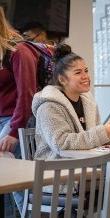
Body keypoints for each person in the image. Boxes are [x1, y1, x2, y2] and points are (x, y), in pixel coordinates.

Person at [32, 43, 110, 160]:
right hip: (55, 170)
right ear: (62, 79)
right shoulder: (48, 106)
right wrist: (103, 132)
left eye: (86, 71)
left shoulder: (89, 103)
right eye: (78, 72)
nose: (85, 76)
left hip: (86, 166)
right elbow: (61, 143)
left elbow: (95, 141)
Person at [0, 6, 41, 216]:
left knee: (18, 187)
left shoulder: (19, 50)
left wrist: (14, 131)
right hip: (4, 120)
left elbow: (27, 95)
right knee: (5, 186)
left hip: (15, 121)